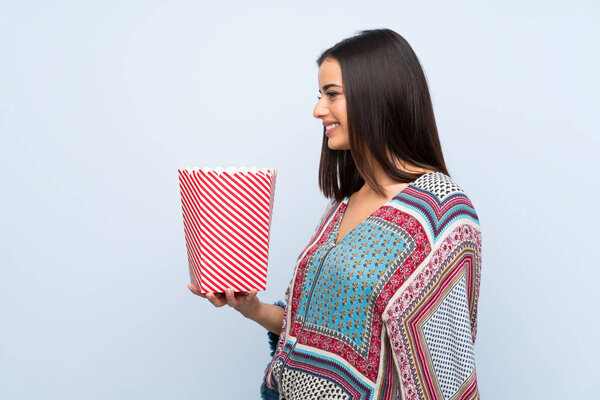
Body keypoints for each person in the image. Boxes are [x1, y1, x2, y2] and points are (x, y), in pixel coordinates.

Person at [188, 28, 482, 400]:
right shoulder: (342, 204)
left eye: (332, 95)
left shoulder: (440, 214)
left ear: (376, 95)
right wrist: (253, 308)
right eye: (320, 95)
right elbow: (311, 332)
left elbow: (445, 370)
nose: (318, 110)